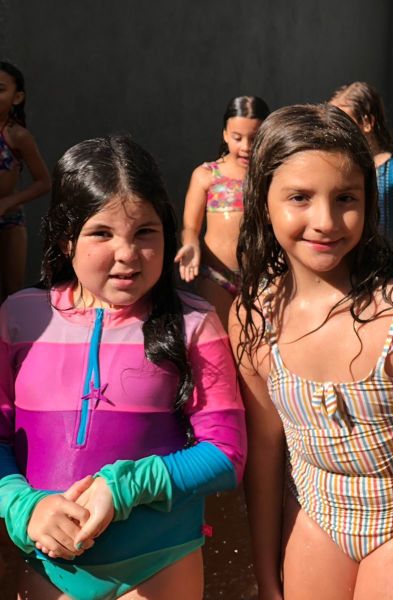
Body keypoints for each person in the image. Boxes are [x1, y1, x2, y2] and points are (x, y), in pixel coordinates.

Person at [231, 104, 393, 599]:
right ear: (262, 201)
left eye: (345, 198)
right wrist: (266, 575)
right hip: (317, 513)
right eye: (300, 198)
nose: (325, 221)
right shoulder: (255, 318)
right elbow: (265, 448)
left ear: (369, 202)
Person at [0, 136, 246, 599]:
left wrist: (123, 487)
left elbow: (226, 453)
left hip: (160, 563)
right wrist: (23, 505)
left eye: (145, 232)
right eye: (102, 233)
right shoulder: (19, 317)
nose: (127, 253)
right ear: (65, 237)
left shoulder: (193, 323)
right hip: (48, 565)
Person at [175, 95, 270, 329]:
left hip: (261, 275)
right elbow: (190, 226)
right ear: (225, 134)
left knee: (256, 341)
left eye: (254, 138)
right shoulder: (207, 174)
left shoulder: (270, 176)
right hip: (216, 275)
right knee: (218, 338)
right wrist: (191, 244)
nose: (246, 146)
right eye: (237, 138)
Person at [330, 81, 393, 269]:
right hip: (347, 265)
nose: (337, 130)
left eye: (345, 123)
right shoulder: (342, 167)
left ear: (367, 123)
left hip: (386, 266)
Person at [0, 61, 51, 302]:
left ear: (17, 97)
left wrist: (8, 202)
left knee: (11, 292)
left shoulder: (17, 136)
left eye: (0, 89)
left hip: (9, 221)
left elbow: (43, 182)